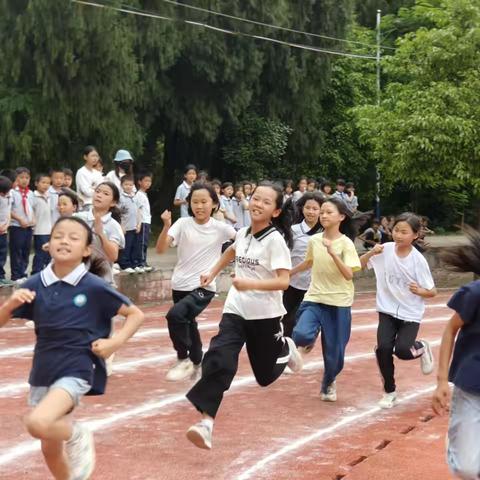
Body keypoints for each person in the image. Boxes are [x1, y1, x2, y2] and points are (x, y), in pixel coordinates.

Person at [0, 216, 144, 480]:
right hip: (43, 372)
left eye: (73, 237)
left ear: (87, 250)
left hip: (77, 368)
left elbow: (135, 314)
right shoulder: (34, 284)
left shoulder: (93, 286)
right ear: (47, 245)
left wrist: (115, 342)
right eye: (58, 236)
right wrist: (9, 306)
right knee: (50, 450)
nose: (64, 240)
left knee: (37, 423)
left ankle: (78, 433)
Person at [185, 182, 303, 450]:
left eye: (265, 201)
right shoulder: (244, 233)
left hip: (266, 316)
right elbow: (231, 251)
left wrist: (251, 284)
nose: (257, 203)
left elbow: (284, 282)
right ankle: (206, 423)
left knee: (264, 377)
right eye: (255, 198)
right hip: (236, 309)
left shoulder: (275, 241)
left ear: (275, 211)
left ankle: (287, 346)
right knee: (219, 358)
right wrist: (212, 272)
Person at [155, 182, 236, 382]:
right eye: (195, 202)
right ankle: (198, 363)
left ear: (214, 204)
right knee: (189, 324)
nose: (199, 206)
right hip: (179, 284)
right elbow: (160, 249)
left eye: (204, 202)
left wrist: (238, 265)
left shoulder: (220, 228)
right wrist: (166, 226)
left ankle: (183, 359)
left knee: (175, 315)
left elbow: (244, 241)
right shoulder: (182, 224)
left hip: (204, 286)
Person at [360, 212, 436, 409]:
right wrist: (370, 253)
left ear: (415, 235)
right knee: (383, 349)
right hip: (386, 309)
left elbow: (432, 291)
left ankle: (422, 347)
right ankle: (389, 391)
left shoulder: (418, 260)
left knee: (402, 351)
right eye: (396, 230)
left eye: (404, 232)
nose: (399, 235)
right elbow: (359, 266)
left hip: (410, 313)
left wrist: (420, 291)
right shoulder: (384, 250)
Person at [291, 196, 361, 402]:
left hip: (339, 303)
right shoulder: (314, 240)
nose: (323, 215)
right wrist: (288, 273)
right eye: (322, 212)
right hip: (315, 297)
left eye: (328, 212)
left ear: (341, 217)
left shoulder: (346, 244)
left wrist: (333, 253)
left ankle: (329, 381)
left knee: (335, 356)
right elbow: (308, 262)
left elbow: (349, 274)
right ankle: (308, 341)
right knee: (300, 334)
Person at [433, 228, 480, 479]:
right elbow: (450, 330)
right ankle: (457, 446)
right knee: (466, 469)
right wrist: (441, 381)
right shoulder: (475, 294)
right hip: (472, 386)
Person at [282, 192, 323, 338]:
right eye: (308, 208)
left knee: (298, 320)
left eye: (315, 209)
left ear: (321, 211)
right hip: (291, 284)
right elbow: (284, 253)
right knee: (286, 319)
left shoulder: (325, 233)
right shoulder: (293, 230)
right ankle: (287, 351)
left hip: (313, 286)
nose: (311, 212)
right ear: (302, 209)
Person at [9, 167, 35, 283]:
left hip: (28, 226)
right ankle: (15, 275)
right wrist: (19, 219)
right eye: (21, 177)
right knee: (16, 251)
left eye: (27, 178)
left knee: (26, 250)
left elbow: (32, 208)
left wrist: (33, 219)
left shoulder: (31, 193)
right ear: (16, 179)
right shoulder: (12, 192)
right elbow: (7, 210)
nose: (24, 180)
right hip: (17, 226)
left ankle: (23, 272)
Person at [117, 176, 140, 274]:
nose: (128, 187)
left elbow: (138, 211)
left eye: (130, 185)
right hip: (126, 227)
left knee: (134, 247)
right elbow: (118, 213)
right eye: (126, 184)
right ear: (122, 185)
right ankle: (124, 264)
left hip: (134, 226)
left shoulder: (135, 197)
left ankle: (133, 264)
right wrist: (121, 226)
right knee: (126, 246)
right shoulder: (121, 198)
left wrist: (139, 224)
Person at [32, 173, 52, 275]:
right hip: (39, 231)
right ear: (36, 183)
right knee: (40, 254)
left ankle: (47, 274)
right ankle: (36, 273)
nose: (46, 185)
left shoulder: (49, 196)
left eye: (48, 183)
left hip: (49, 230)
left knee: (49, 254)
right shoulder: (33, 196)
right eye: (43, 182)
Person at [133, 172, 153, 273]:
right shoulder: (139, 195)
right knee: (141, 243)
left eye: (150, 181)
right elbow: (139, 210)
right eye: (146, 181)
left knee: (144, 243)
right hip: (143, 221)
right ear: (139, 182)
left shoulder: (144, 194)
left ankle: (143, 261)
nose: (148, 183)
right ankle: (140, 262)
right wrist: (139, 223)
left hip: (146, 221)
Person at [75, 146, 104, 211]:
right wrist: (97, 189)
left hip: (98, 204)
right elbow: (87, 192)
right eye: (92, 156)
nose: (95, 158)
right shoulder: (81, 172)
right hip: (85, 205)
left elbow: (102, 188)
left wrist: (94, 188)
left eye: (97, 156)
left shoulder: (97, 173)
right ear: (85, 157)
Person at [0, 175, 13, 287]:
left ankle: (1, 277)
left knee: (2, 254)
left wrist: (7, 224)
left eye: (6, 192)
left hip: (3, 231)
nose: (4, 195)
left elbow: (8, 212)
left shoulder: (9, 195)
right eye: (2, 193)